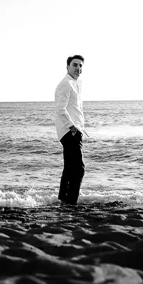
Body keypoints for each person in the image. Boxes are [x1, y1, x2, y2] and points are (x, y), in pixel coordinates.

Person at [54, 55, 85, 205]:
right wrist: (72, 127)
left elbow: (74, 109)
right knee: (78, 169)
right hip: (70, 131)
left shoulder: (74, 84)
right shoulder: (66, 84)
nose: (78, 68)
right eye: (75, 65)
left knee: (70, 168)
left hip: (73, 130)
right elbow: (60, 109)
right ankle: (71, 202)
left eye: (80, 66)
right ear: (67, 67)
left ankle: (64, 202)